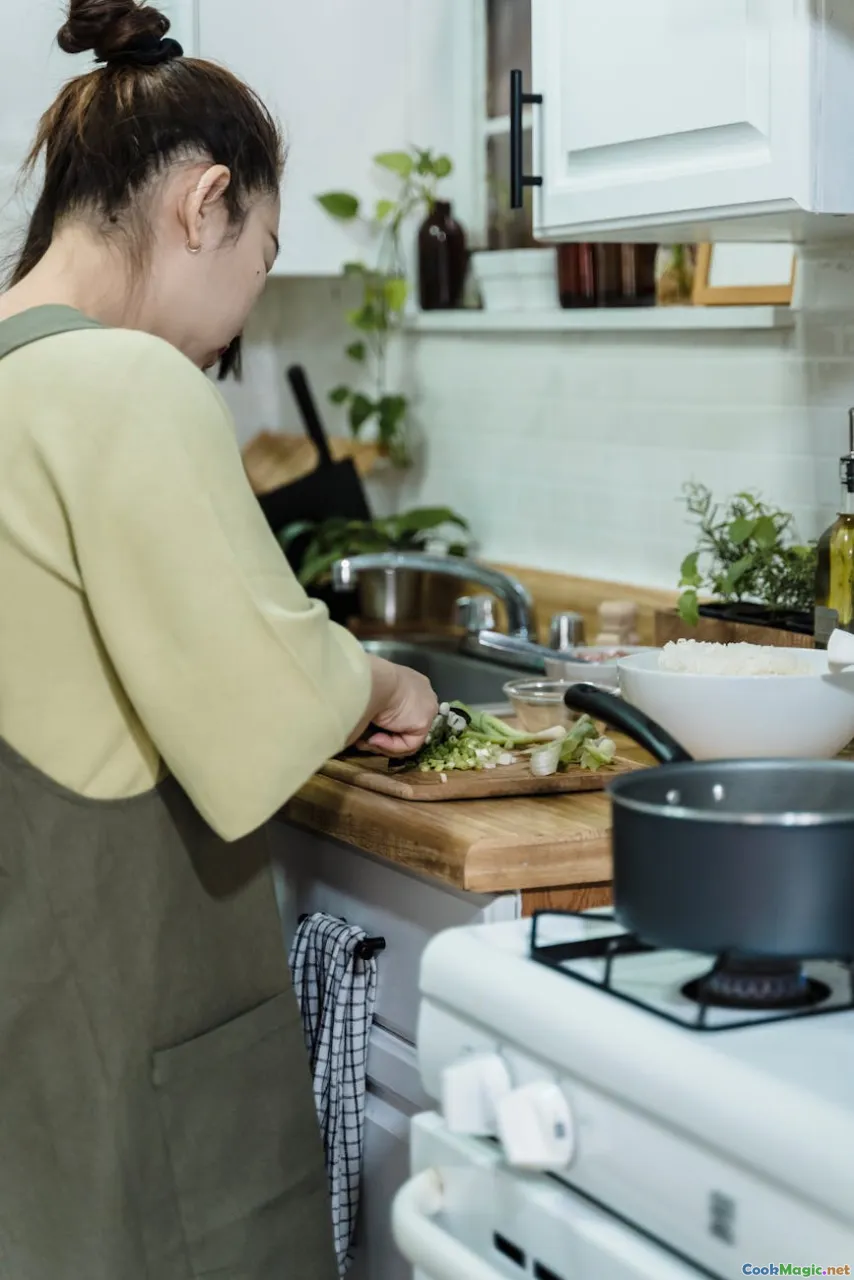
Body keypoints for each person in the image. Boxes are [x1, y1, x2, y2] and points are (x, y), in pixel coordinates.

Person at [0, 1, 438, 1276]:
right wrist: (375, 674)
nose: (238, 317)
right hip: (117, 1025)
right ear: (204, 205)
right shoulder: (125, 384)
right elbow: (258, 701)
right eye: (259, 254)